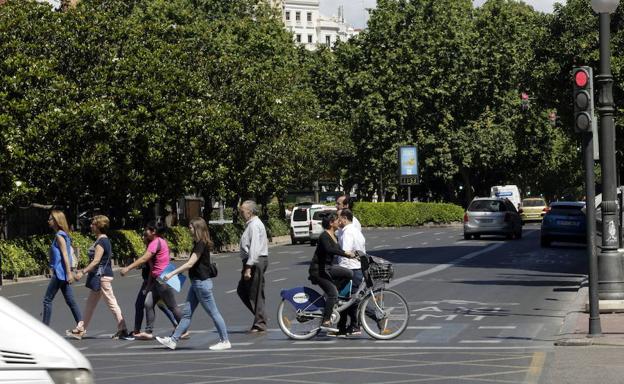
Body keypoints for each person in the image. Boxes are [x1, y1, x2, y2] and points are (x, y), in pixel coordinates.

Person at [156, 217, 230, 350]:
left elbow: (190, 263)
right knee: (187, 314)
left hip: (201, 284)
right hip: (197, 284)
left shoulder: (201, 244)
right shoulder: (199, 243)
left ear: (197, 228)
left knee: (214, 312)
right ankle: (173, 340)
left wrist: (172, 274)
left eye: (190, 227)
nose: (188, 229)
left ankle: (225, 340)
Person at [73, 215, 132, 340]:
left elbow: (96, 261)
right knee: (90, 304)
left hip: (102, 277)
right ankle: (80, 329)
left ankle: (123, 328)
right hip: (100, 276)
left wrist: (82, 272)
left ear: (98, 227)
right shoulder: (103, 240)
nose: (91, 226)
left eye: (93, 224)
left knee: (111, 303)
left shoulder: (101, 242)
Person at [121, 222, 182, 337]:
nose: (145, 232)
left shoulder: (156, 242)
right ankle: (149, 332)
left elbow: (144, 258)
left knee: (172, 306)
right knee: (148, 304)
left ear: (153, 231)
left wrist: (128, 268)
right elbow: (152, 269)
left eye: (147, 230)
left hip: (162, 279)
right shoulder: (159, 241)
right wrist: (148, 285)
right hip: (156, 280)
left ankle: (183, 329)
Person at [308, 213, 354, 332]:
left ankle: (334, 293)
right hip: (318, 270)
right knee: (332, 293)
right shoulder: (324, 236)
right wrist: (345, 254)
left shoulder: (335, 236)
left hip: (328, 268)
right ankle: (326, 321)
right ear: (331, 223)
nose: (340, 222)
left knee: (349, 273)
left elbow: (339, 250)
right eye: (337, 220)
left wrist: (354, 255)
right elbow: (329, 249)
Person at [43, 210, 83, 333]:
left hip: (60, 273)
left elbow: (65, 255)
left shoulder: (59, 236)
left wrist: (69, 273)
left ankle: (44, 330)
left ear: (56, 221)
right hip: (63, 273)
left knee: (47, 300)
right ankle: (81, 326)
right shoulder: (63, 234)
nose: (48, 221)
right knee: (70, 301)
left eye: (50, 219)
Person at [237, 200, 269, 333]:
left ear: (250, 211)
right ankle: (261, 317)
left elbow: (254, 247)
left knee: (255, 292)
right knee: (243, 290)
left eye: (242, 211)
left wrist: (249, 266)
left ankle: (260, 322)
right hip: (252, 261)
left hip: (255, 261)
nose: (241, 213)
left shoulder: (255, 225)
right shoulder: (251, 224)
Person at [335, 208, 366, 336]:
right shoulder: (356, 231)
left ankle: (377, 317)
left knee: (346, 299)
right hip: (357, 268)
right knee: (348, 298)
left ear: (345, 219)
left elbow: (345, 252)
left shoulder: (347, 233)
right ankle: (343, 327)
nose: (338, 221)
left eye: (339, 218)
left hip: (349, 269)